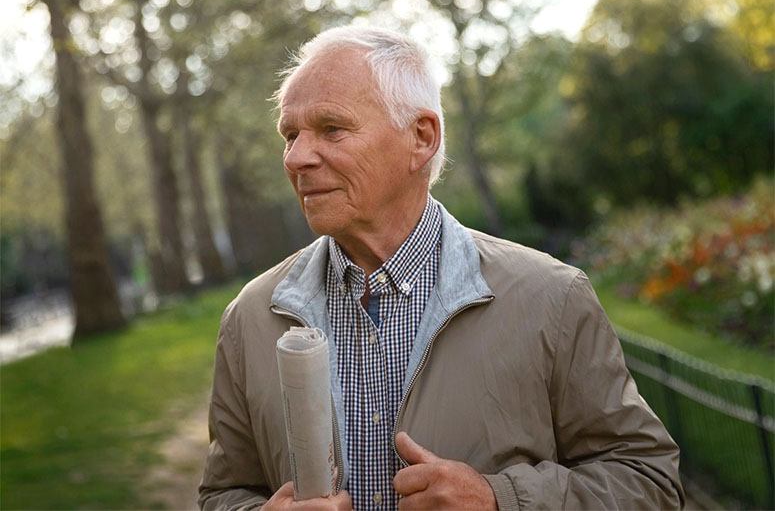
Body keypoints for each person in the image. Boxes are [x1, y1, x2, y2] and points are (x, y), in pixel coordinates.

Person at [198, 26, 684, 511]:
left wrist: (500, 500)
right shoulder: (249, 318)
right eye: (290, 134)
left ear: (421, 138)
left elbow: (649, 481)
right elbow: (223, 493)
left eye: (332, 129)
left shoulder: (552, 297)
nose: (298, 157)